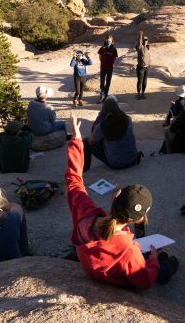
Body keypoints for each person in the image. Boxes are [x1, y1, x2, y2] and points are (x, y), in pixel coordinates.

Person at [65, 112, 178, 289]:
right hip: (118, 278)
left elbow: (73, 181)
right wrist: (154, 261)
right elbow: (144, 282)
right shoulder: (128, 251)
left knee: (148, 256)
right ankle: (163, 266)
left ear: (116, 197)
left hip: (91, 264)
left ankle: (156, 259)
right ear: (138, 219)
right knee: (161, 265)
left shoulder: (85, 214)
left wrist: (76, 141)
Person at [83, 99, 141, 171]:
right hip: (133, 159)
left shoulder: (103, 125)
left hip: (116, 163)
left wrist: (100, 118)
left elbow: (91, 141)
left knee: (85, 142)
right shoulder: (128, 119)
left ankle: (85, 172)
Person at [97, 35, 118, 104]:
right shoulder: (102, 48)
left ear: (112, 41)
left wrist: (110, 63)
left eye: (109, 41)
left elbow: (114, 58)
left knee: (108, 82)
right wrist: (103, 62)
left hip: (110, 68)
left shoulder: (114, 49)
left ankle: (105, 95)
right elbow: (100, 57)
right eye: (107, 40)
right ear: (105, 41)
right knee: (102, 83)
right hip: (103, 68)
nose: (108, 42)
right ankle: (102, 95)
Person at [135, 31, 150, 100]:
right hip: (140, 67)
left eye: (146, 40)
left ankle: (143, 93)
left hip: (147, 67)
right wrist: (140, 35)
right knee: (140, 81)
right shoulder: (140, 47)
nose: (146, 41)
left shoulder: (147, 47)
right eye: (145, 40)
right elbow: (139, 43)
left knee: (145, 81)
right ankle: (138, 93)